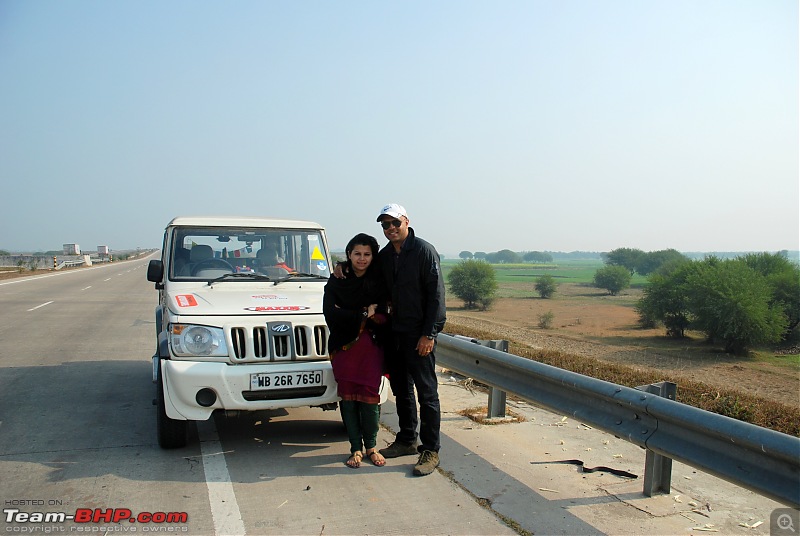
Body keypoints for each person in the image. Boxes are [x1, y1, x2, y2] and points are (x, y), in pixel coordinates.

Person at [374, 203, 447, 477]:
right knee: (401, 389)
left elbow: (436, 296)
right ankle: (406, 439)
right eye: (385, 225)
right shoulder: (384, 257)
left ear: (406, 221)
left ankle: (430, 449)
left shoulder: (424, 252)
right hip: (394, 334)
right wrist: (342, 270)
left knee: (427, 393)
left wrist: (430, 334)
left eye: (394, 223)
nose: (390, 228)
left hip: (419, 334)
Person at [323, 233, 389, 468]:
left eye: (367, 254)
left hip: (371, 347)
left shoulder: (379, 281)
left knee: (370, 397)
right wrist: (363, 313)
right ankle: (355, 449)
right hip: (343, 348)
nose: (362, 259)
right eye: (357, 254)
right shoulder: (337, 281)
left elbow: (386, 311)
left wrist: (357, 313)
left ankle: (371, 446)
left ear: (373, 256)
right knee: (348, 396)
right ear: (349, 254)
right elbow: (331, 313)